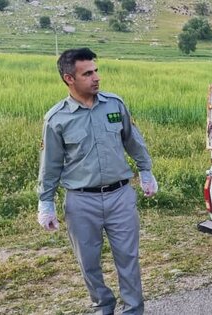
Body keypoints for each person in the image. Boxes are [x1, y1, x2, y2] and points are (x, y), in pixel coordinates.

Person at [37, 47, 157, 315]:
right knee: (88, 263)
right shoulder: (57, 119)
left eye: (96, 70)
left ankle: (133, 310)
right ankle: (103, 306)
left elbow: (133, 141)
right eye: (87, 73)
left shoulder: (114, 105)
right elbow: (50, 165)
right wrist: (46, 202)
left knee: (128, 259)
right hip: (81, 202)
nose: (96, 77)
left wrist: (145, 171)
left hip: (120, 196)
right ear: (69, 78)